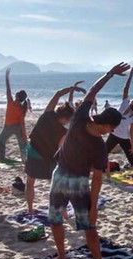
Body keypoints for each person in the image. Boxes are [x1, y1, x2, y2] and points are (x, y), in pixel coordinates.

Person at [48, 63, 128, 259]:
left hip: (59, 176)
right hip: (77, 183)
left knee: (56, 220)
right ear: (106, 124)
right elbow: (97, 179)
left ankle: (64, 258)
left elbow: (93, 91)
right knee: (88, 227)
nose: (110, 132)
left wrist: (110, 74)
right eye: (111, 128)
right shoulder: (99, 146)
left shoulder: (80, 117)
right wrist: (93, 208)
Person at [23, 82, 83, 214]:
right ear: (65, 119)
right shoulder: (63, 132)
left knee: (30, 183)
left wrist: (73, 88)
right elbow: (59, 150)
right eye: (68, 120)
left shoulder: (47, 114)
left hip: (32, 153)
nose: (68, 123)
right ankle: (63, 212)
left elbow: (57, 94)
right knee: (57, 185)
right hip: (47, 158)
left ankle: (30, 209)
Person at [105, 65, 133, 184]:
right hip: (117, 136)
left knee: (130, 159)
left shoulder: (130, 112)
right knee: (105, 155)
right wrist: (132, 145)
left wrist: (132, 145)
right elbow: (126, 88)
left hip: (120, 137)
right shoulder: (126, 106)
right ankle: (108, 177)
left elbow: (126, 88)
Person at [0, 68, 29, 163]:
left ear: (17, 96)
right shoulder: (21, 108)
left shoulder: (11, 102)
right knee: (22, 144)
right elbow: (22, 122)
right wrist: (24, 134)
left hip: (9, 127)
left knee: (1, 140)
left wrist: (6, 77)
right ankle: (25, 160)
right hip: (17, 127)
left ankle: (1, 157)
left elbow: (8, 89)